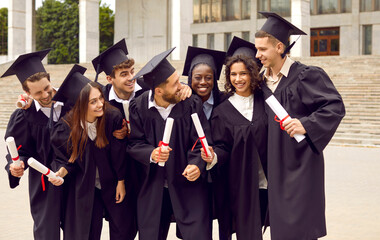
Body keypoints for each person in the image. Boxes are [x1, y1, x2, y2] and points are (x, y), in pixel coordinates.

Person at [254, 12, 346, 240]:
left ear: (279, 47)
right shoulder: (261, 81)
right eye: (256, 49)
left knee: (299, 229)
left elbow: (335, 106)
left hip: (300, 166)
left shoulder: (306, 76)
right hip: (272, 166)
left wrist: (306, 124)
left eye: (262, 50)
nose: (258, 55)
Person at [127, 48, 212, 240]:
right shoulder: (139, 107)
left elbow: (202, 141)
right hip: (153, 187)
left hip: (187, 185)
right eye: (175, 84)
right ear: (158, 90)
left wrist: (196, 165)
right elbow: (134, 144)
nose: (182, 86)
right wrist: (152, 153)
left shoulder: (190, 103)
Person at [49, 64, 133, 240]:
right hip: (84, 186)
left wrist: (121, 180)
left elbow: (119, 154)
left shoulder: (112, 117)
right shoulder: (65, 128)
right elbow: (66, 160)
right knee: (85, 231)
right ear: (80, 105)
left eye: (100, 98)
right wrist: (61, 172)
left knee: (122, 228)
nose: (100, 104)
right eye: (93, 102)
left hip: (112, 182)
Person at [1, 49, 68, 240]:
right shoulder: (23, 116)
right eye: (38, 92)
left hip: (74, 178)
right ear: (26, 92)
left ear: (49, 78)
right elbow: (18, 151)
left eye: (47, 88)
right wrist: (15, 165)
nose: (46, 94)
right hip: (43, 183)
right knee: (46, 233)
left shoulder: (69, 102)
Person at [202, 52, 268, 239]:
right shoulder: (222, 111)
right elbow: (222, 147)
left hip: (267, 183)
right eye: (233, 74)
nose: (238, 79)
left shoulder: (265, 102)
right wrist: (213, 157)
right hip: (239, 186)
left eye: (243, 73)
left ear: (252, 74)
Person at [182, 45, 231, 240]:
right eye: (198, 77)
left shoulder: (226, 102)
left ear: (215, 79)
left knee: (226, 225)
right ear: (190, 79)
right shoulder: (182, 103)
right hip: (195, 175)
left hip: (222, 173)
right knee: (197, 228)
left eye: (208, 77)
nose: (203, 82)